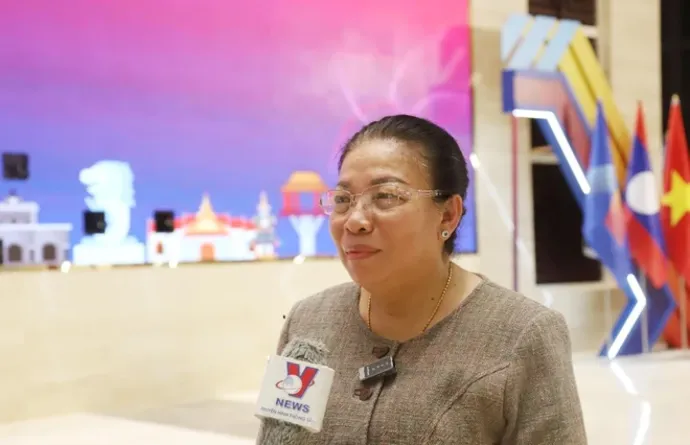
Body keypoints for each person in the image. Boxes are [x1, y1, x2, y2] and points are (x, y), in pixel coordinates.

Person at [266, 114, 587, 444]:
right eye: (343, 200)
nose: (354, 221)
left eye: (385, 195)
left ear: (447, 215)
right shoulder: (308, 322)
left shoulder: (523, 334)